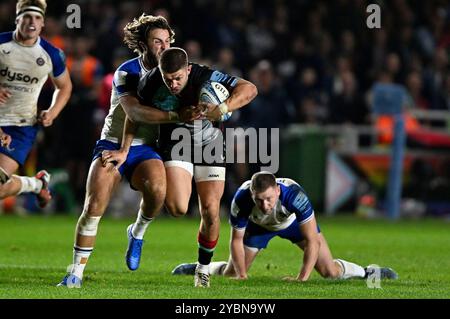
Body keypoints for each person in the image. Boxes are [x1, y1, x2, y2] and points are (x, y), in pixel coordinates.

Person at [104, 47, 258, 287]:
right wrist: (124, 149)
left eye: (178, 78)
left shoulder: (204, 75)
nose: (173, 84)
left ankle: (203, 270)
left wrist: (224, 107)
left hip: (210, 143)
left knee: (210, 211)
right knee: (177, 208)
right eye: (168, 79)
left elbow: (250, 88)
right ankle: (136, 229)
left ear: (188, 69)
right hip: (177, 142)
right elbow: (135, 116)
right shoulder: (150, 83)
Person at [57, 14, 187, 288]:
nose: (163, 47)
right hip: (113, 144)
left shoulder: (178, 73)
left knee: (158, 190)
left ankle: (137, 231)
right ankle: (74, 275)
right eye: (156, 42)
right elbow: (134, 111)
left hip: (145, 149)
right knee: (94, 205)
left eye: (167, 41)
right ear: (143, 44)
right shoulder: (127, 72)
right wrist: (177, 115)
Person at [172, 172, 398, 282]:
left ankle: (369, 272)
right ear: (252, 194)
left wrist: (302, 278)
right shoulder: (241, 199)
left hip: (292, 227)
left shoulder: (294, 195)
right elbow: (236, 240)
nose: (265, 204)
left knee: (330, 273)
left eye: (269, 199)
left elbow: (312, 239)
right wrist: (241, 275)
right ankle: (200, 267)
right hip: (259, 229)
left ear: (277, 192)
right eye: (259, 200)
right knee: (231, 273)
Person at [0, 0, 72, 208]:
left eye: (37, 18)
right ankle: (36, 184)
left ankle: (36, 184)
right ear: (17, 20)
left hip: (21, 126)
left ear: (42, 24)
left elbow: (65, 87)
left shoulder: (51, 54)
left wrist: (52, 111)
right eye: (27, 17)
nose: (32, 22)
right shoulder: (2, 44)